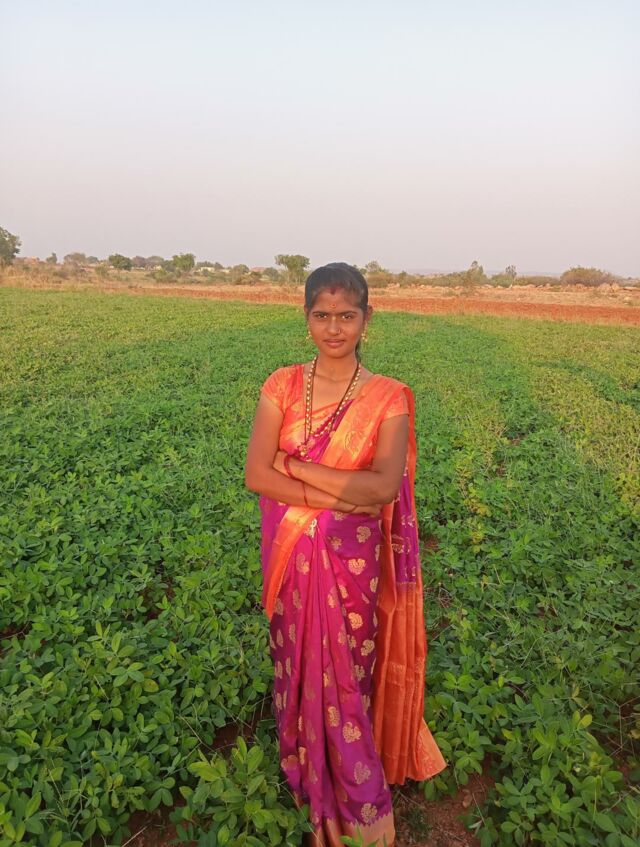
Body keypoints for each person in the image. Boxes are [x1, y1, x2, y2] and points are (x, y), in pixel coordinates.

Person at [244, 262, 447, 846]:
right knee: (296, 660)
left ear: (366, 318)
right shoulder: (281, 386)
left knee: (347, 674)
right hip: (290, 558)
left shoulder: (388, 398)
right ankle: (306, 767)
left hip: (351, 563)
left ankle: (358, 802)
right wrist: (338, 494)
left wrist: (297, 467)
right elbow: (257, 474)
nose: (334, 328)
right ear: (306, 316)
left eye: (347, 315)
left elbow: (380, 488)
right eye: (322, 315)